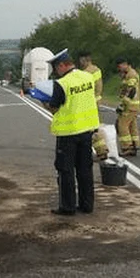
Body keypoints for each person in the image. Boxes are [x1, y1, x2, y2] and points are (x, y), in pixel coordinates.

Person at [45, 49, 100, 215]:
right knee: (85, 170)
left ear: (62, 65)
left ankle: (67, 207)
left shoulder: (62, 83)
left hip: (68, 133)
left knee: (65, 170)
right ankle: (87, 205)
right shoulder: (88, 77)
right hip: (87, 130)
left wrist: (43, 101)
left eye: (56, 69)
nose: (56, 72)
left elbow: (54, 107)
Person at [78, 50, 108, 160]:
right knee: (94, 127)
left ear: (84, 59)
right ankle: (101, 150)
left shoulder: (86, 72)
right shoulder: (97, 70)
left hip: (89, 103)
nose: (80, 62)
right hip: (96, 101)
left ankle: (101, 150)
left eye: (80, 60)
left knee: (89, 128)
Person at [114, 57, 140, 157]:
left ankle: (127, 147)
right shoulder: (128, 74)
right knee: (132, 125)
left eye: (119, 66)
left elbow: (131, 90)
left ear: (125, 64)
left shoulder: (131, 74)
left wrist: (122, 105)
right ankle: (134, 145)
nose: (119, 68)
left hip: (129, 106)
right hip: (133, 106)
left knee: (122, 125)